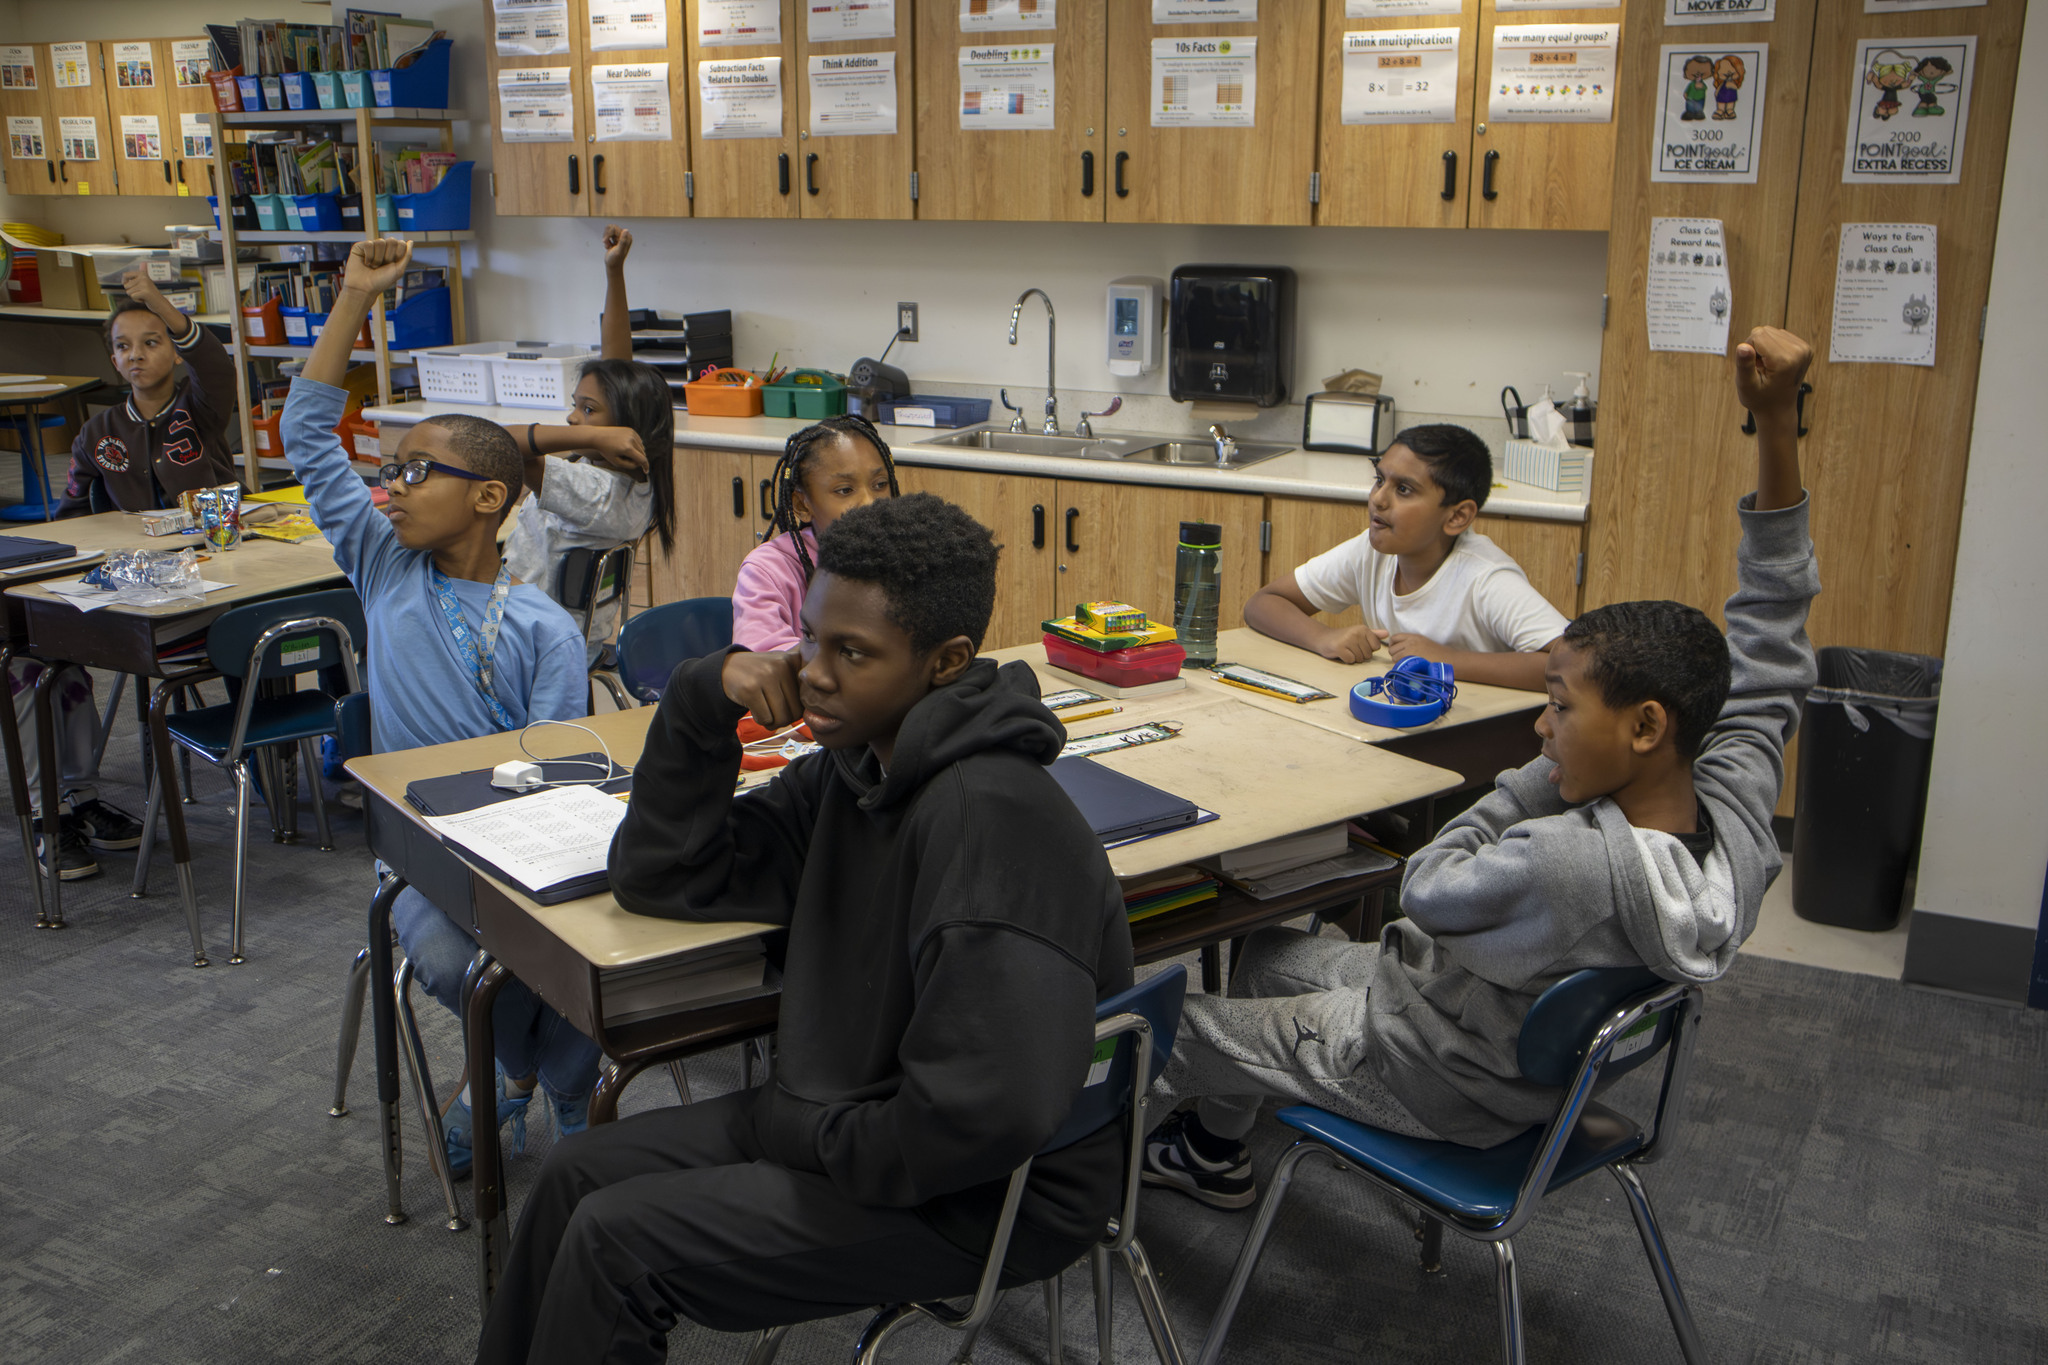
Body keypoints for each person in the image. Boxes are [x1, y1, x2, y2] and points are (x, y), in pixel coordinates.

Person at [1145, 327, 1819, 1207]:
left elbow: (1426, 885)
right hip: (1505, 1046)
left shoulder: (1564, 861)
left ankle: (1061, 1191)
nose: (1542, 724)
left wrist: (1538, 778)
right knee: (1269, 951)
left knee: (1164, 1021)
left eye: (1561, 707)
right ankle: (1209, 1150)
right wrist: (1777, 422)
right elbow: (1772, 627)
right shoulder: (1732, 808)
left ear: (1648, 726)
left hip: (1429, 1068)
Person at [475, 493, 1134, 1365]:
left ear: (946, 661)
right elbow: (668, 874)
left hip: (981, 1193)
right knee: (574, 1174)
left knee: (616, 1242)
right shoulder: (856, 768)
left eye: (851, 652)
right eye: (810, 638)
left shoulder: (991, 823)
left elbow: (986, 1115)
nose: (814, 673)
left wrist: (809, 1133)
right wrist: (702, 699)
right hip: (849, 1115)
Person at [283, 237, 597, 1175]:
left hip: (524, 850)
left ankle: (522, 1079)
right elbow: (308, 435)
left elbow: (560, 777)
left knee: (574, 954)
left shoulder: (546, 628)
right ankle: (539, 1077)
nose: (392, 487)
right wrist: (352, 297)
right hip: (419, 854)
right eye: (392, 469)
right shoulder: (385, 567)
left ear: (489, 497)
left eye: (418, 472)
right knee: (461, 964)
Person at [13, 263, 221, 877]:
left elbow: (213, 363)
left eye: (152, 342)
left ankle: (269, 769)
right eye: (124, 346)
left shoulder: (200, 409)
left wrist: (155, 298)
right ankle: (61, 809)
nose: (137, 355)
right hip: (131, 586)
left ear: (175, 352)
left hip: (207, 583)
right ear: (112, 360)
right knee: (31, 659)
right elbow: (71, 520)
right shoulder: (99, 431)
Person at [1243, 424, 1567, 692]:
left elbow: (1571, 665)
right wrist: (1323, 637)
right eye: (1379, 480)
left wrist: (1448, 661)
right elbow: (1262, 604)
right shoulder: (1370, 552)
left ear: (1457, 517)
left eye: (1404, 490)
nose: (1378, 499)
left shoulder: (1486, 578)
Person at [501, 224, 677, 665]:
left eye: (587, 409)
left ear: (624, 424)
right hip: (567, 637)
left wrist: (590, 435)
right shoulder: (636, 479)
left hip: (532, 642)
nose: (573, 418)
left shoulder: (593, 490)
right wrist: (614, 273)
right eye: (574, 406)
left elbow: (499, 443)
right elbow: (616, 370)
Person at [732, 414, 898, 654]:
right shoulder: (768, 570)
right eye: (845, 490)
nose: (870, 502)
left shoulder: (905, 556)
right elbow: (763, 662)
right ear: (802, 505)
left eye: (880, 484)